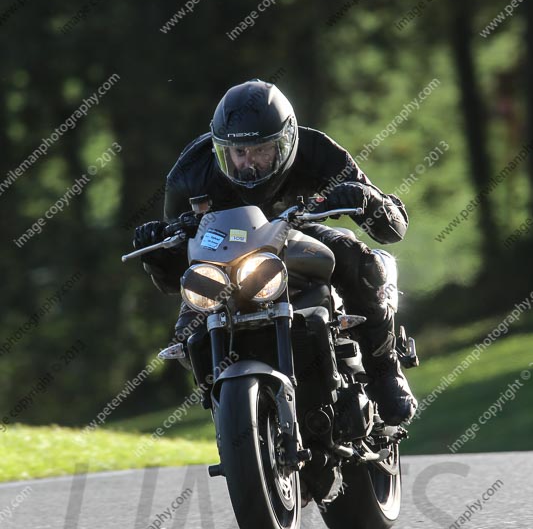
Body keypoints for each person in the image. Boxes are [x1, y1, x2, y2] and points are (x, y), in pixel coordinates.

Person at [134, 79, 417, 425]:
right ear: (220, 148)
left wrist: (367, 200)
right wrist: (157, 250)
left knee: (361, 261)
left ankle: (386, 372)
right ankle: (228, 411)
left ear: (286, 141)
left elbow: (393, 228)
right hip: (225, 254)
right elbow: (180, 265)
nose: (248, 163)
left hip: (300, 233)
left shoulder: (318, 151)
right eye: (238, 153)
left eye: (261, 150)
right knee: (189, 321)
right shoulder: (190, 173)